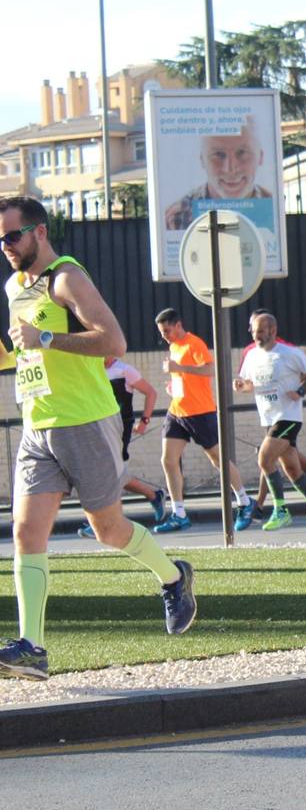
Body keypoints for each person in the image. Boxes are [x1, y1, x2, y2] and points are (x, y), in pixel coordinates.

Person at [0, 196, 195, 681]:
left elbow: (113, 342)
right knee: (26, 533)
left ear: (39, 232)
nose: (5, 246)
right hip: (38, 425)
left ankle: (173, 576)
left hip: (87, 422)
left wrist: (44, 339)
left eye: (11, 236)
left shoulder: (67, 278)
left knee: (108, 530)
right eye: (0, 239)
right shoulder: (14, 286)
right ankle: (33, 648)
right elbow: (21, 353)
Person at [233, 311, 306, 531]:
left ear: (273, 331)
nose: (256, 335)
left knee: (264, 458)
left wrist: (300, 391)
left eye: (261, 331)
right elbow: (250, 384)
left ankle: (280, 509)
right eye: (254, 331)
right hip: (268, 417)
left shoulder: (288, 353)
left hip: (288, 416)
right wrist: (242, 387)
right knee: (291, 467)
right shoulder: (251, 356)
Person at [153, 308, 253, 532]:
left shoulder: (193, 343)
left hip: (200, 411)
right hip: (178, 410)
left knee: (218, 460)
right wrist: (174, 384)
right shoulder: (174, 346)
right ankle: (179, 514)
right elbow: (184, 376)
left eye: (167, 330)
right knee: (168, 460)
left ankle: (245, 501)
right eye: (161, 332)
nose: (164, 336)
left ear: (178, 325)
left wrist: (179, 368)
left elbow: (209, 370)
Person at [76, 357, 168, 538]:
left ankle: (104, 520)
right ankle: (153, 495)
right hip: (97, 425)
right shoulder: (91, 369)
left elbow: (151, 392)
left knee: (108, 470)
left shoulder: (124, 370)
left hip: (120, 426)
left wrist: (145, 420)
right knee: (112, 472)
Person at [164, 117, 273, 230]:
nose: (230, 169)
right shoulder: (178, 216)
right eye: (219, 154)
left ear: (260, 157)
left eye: (242, 153)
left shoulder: (275, 208)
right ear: (202, 160)